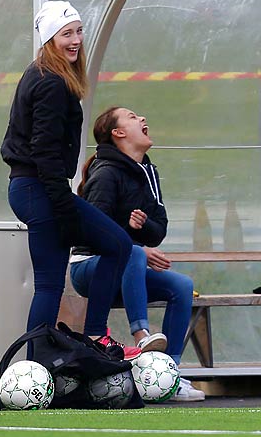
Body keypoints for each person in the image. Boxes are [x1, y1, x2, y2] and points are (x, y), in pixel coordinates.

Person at [0, 1, 138, 358]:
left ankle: (38, 363)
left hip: (32, 188)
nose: (75, 40)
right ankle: (84, 340)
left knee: (52, 281)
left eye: (78, 31)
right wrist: (63, 207)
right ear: (49, 38)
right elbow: (44, 151)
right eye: (66, 34)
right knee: (115, 246)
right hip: (39, 189)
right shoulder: (50, 83)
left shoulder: (44, 75)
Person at [72, 106, 203, 401]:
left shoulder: (147, 172)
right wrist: (135, 243)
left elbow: (158, 230)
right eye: (132, 117)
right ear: (118, 134)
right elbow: (91, 231)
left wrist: (141, 230)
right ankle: (141, 336)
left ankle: (168, 373)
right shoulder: (105, 174)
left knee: (181, 285)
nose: (142, 118)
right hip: (88, 268)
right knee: (133, 254)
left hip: (125, 267)